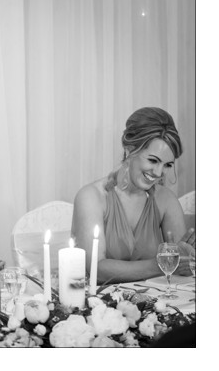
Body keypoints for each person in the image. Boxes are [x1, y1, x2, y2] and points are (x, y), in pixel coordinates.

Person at [71, 108, 190, 282]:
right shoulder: (91, 197)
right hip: (100, 304)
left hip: (153, 303)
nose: (158, 173)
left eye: (167, 165)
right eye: (153, 160)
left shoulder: (166, 200)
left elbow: (182, 266)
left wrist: (189, 261)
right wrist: (162, 264)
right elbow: (97, 269)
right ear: (129, 149)